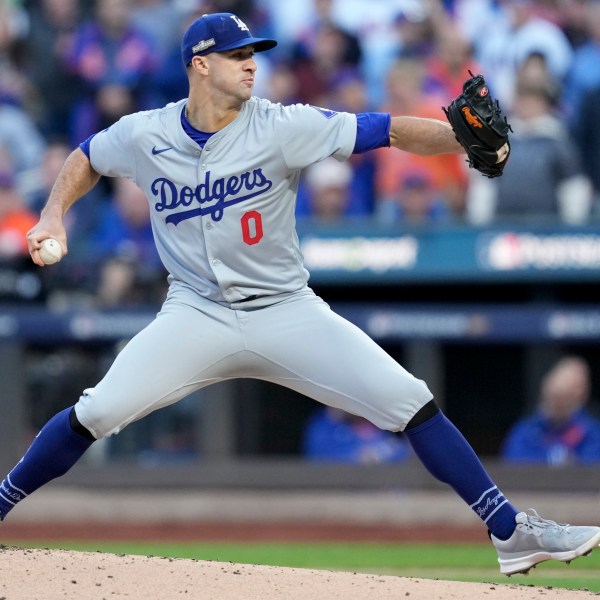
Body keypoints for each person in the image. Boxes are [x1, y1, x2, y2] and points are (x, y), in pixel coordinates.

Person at [0, 12, 598, 578]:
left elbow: (385, 130)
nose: (251, 65)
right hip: (195, 313)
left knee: (409, 399)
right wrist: (53, 213)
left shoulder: (282, 124)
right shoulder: (145, 133)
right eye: (237, 56)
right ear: (199, 65)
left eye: (254, 54)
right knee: (98, 410)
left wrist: (462, 141)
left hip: (286, 309)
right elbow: (86, 157)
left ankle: (509, 530)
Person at [501, 357, 600, 466]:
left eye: (564, 398)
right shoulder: (524, 431)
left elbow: (591, 474)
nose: (555, 407)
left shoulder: (593, 434)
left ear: (581, 394)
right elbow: (512, 468)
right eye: (552, 398)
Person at [303, 406, 410, 464]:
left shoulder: (370, 424)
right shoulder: (324, 425)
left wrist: (377, 454)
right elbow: (316, 456)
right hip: (334, 486)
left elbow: (399, 450)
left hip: (374, 486)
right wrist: (355, 457)